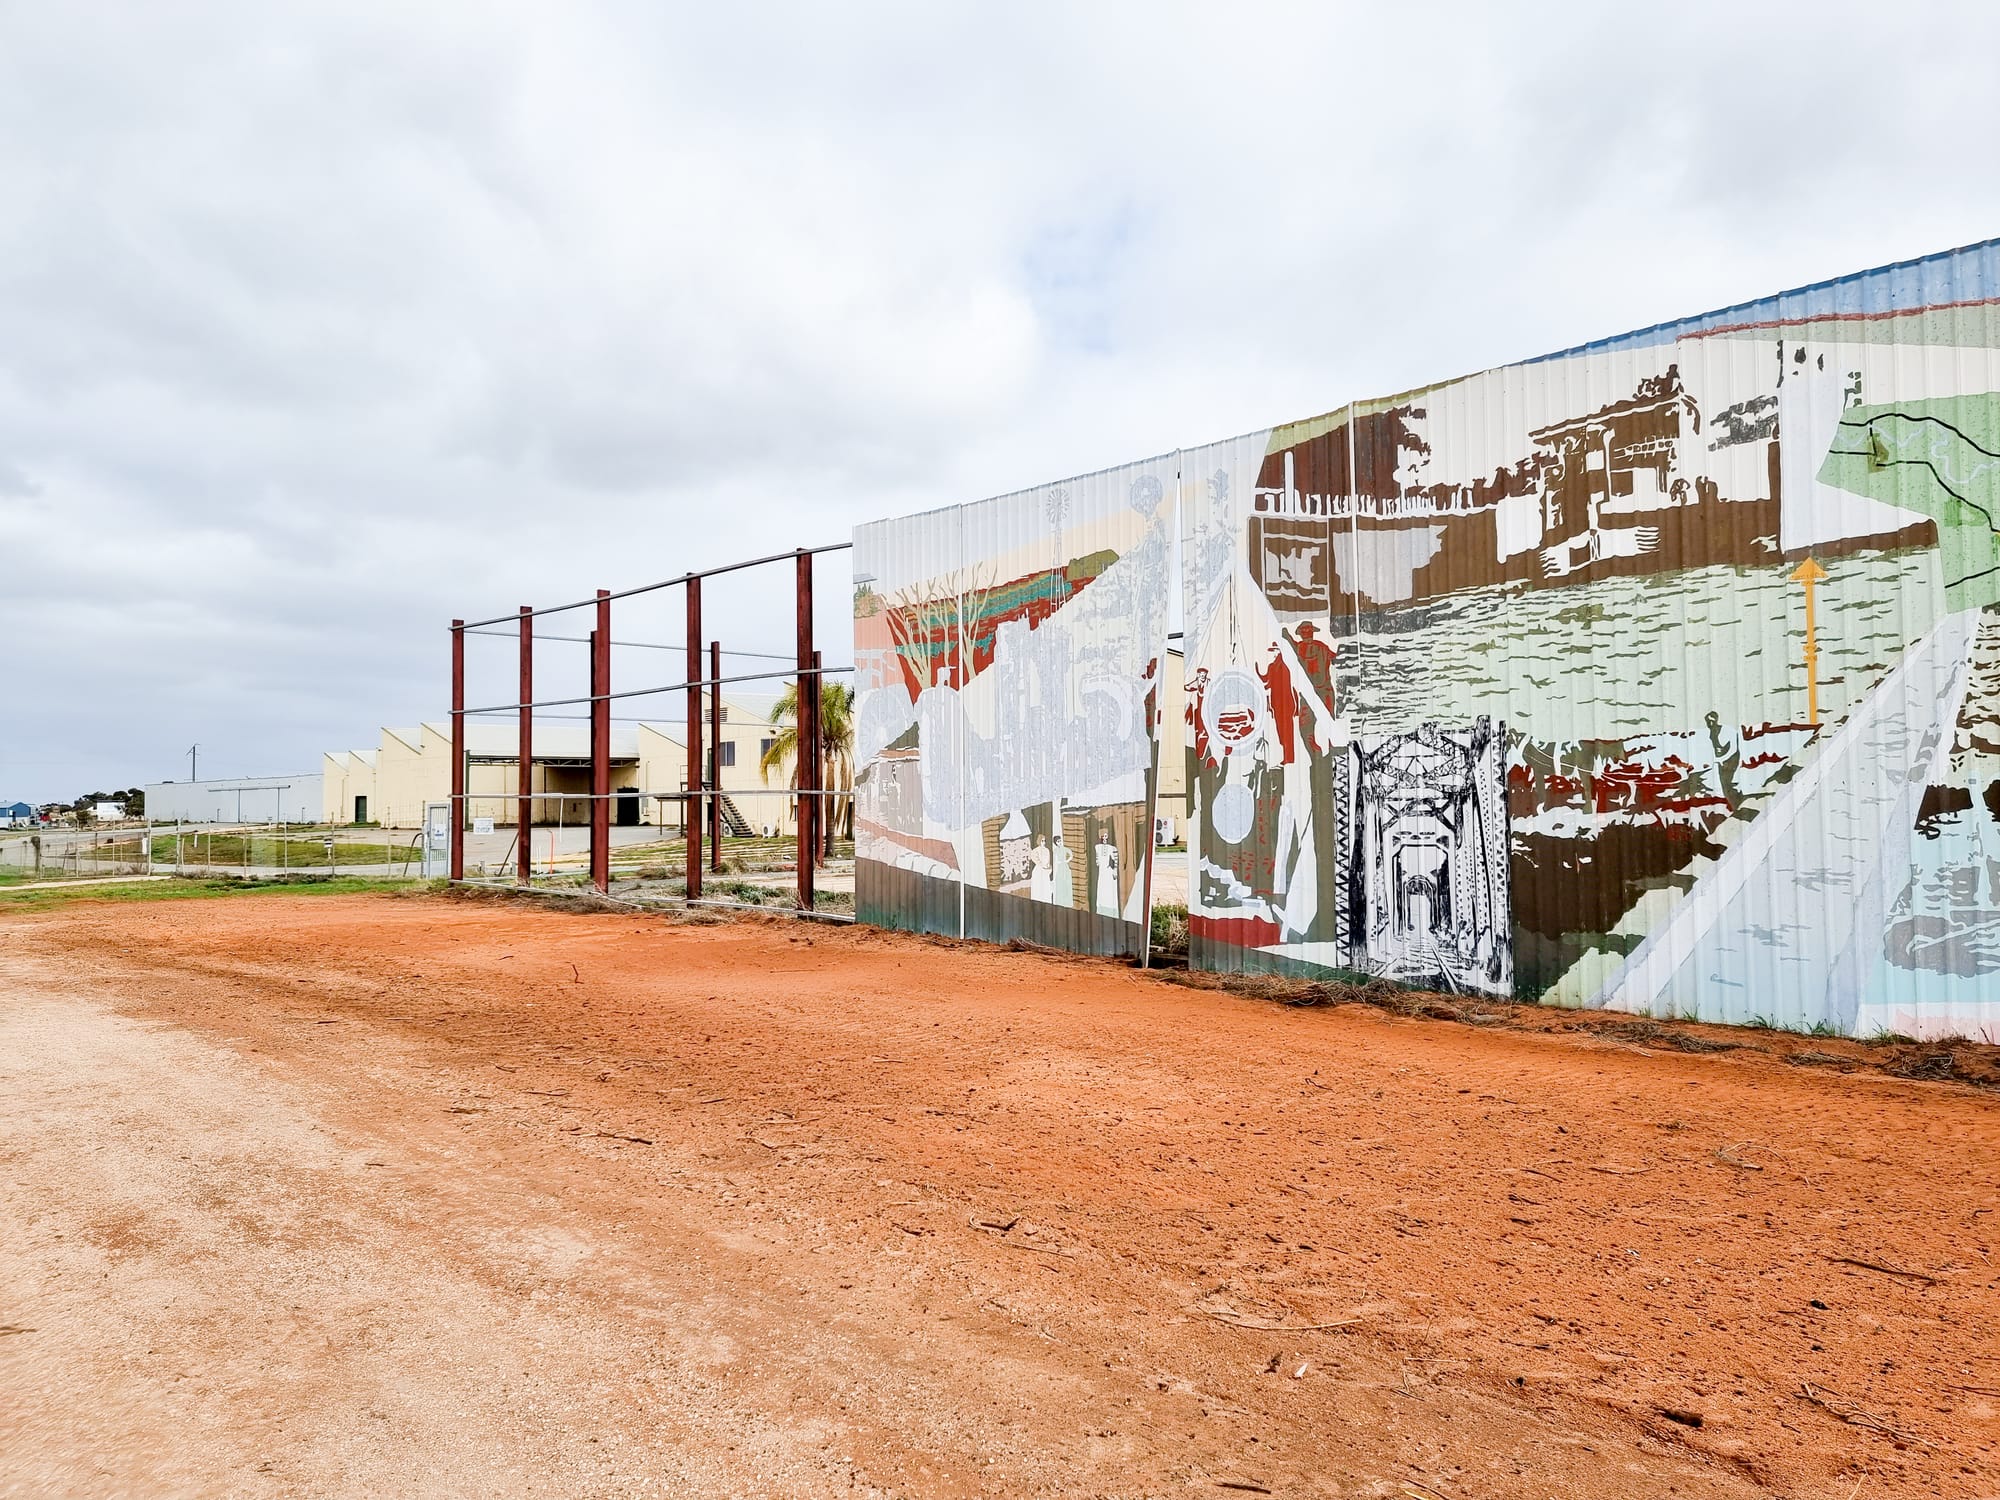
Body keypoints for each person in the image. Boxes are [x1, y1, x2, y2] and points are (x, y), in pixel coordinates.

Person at [1094, 834, 1120, 919]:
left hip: (1109, 872)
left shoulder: (1112, 848)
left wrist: (1115, 870)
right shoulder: (1097, 847)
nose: (1104, 838)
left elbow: (1115, 860)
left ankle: (1110, 910)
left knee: (1109, 890)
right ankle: (1101, 909)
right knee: (1101, 889)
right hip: (1102, 872)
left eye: (1106, 836)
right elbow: (1097, 860)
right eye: (1103, 836)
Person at [1051, 833, 1074, 907]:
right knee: (1060, 884)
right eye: (1058, 841)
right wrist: (1059, 862)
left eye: (1060, 841)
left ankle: (1067, 902)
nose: (1060, 843)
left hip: (1065, 867)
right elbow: (1055, 860)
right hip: (1060, 868)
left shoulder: (1065, 849)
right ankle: (1060, 902)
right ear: (1055, 843)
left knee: (1067, 883)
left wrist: (1066, 861)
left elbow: (1071, 854)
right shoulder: (1055, 850)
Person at [1028, 835, 1053, 902]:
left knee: (1045, 887)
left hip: (1045, 871)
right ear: (1039, 841)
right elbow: (1035, 859)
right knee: (1038, 887)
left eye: (1044, 841)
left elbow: (1048, 861)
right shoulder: (1035, 850)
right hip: (1038, 870)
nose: (1043, 842)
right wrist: (1042, 865)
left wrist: (1048, 866)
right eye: (1042, 841)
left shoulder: (1047, 850)